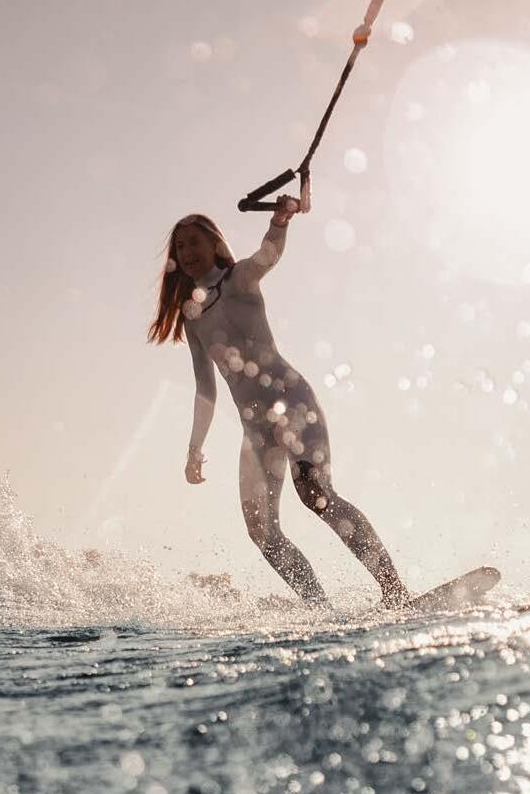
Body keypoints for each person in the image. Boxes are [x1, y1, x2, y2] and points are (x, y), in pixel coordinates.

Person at [148, 197, 409, 608]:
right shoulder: (192, 314)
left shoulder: (239, 279)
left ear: (214, 243)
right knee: (262, 531)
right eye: (180, 247)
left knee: (316, 494)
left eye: (194, 242)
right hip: (255, 429)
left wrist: (281, 221)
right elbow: (205, 388)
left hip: (292, 403)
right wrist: (195, 447)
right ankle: (320, 610)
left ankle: (395, 593)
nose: (187, 252)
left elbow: (267, 255)